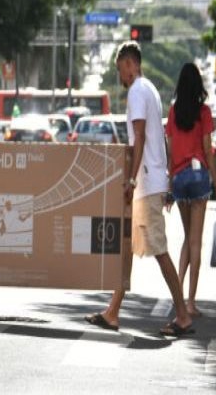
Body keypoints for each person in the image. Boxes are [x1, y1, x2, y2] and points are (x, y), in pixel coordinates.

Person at [85, 41, 193, 337]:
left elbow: (140, 138)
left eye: (122, 70)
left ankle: (182, 315)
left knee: (159, 251)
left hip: (146, 183)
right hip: (153, 179)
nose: (121, 78)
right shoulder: (152, 90)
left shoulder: (136, 91)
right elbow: (159, 138)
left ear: (131, 64)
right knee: (128, 246)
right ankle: (113, 311)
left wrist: (131, 181)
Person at [165, 62, 216, 317]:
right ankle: (190, 302)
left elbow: (170, 153)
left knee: (185, 238)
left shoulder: (173, 112)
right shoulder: (204, 113)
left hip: (179, 177)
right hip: (199, 176)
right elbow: (208, 152)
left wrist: (170, 187)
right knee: (195, 241)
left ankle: (178, 297)